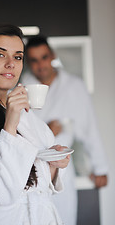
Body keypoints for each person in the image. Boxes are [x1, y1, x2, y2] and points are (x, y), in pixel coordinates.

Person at [0, 25, 71, 225]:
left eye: (18, 57)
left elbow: (41, 180)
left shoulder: (27, 114)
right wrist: (10, 125)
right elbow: (1, 193)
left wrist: (56, 163)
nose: (11, 64)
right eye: (0, 55)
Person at [21, 36, 108, 225]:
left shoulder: (74, 87)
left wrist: (99, 168)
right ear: (29, 62)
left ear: (52, 56)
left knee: (64, 219)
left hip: (62, 171)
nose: (40, 65)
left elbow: (89, 127)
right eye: (34, 60)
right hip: (29, 171)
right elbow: (15, 132)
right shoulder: (21, 88)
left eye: (44, 57)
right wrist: (47, 129)